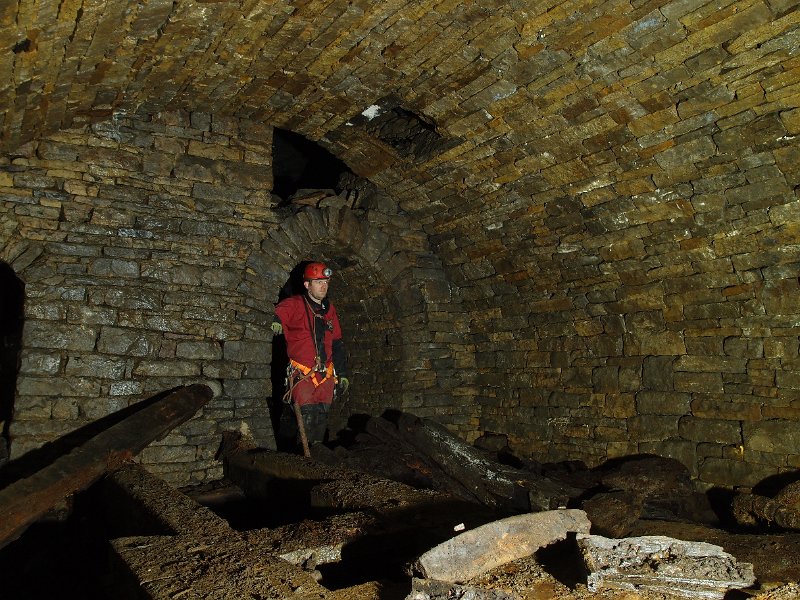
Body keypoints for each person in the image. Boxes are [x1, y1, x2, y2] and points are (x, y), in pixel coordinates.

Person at [271, 261, 349, 452]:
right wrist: (276, 321)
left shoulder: (329, 311)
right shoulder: (295, 304)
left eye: (326, 282)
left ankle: (317, 459)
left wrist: (343, 373)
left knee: (321, 420)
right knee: (304, 421)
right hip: (303, 376)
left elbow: (337, 343)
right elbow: (278, 313)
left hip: (326, 378)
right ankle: (295, 460)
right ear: (307, 285)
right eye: (318, 282)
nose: (324, 286)